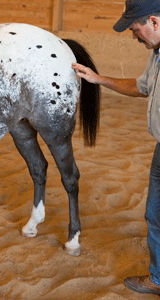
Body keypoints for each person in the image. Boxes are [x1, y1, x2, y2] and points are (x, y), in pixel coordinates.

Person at [72, 0, 160, 296]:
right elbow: (141, 87)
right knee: (154, 214)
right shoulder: (157, 54)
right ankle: (158, 278)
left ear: (154, 21)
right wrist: (99, 80)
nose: (134, 37)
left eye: (136, 29)